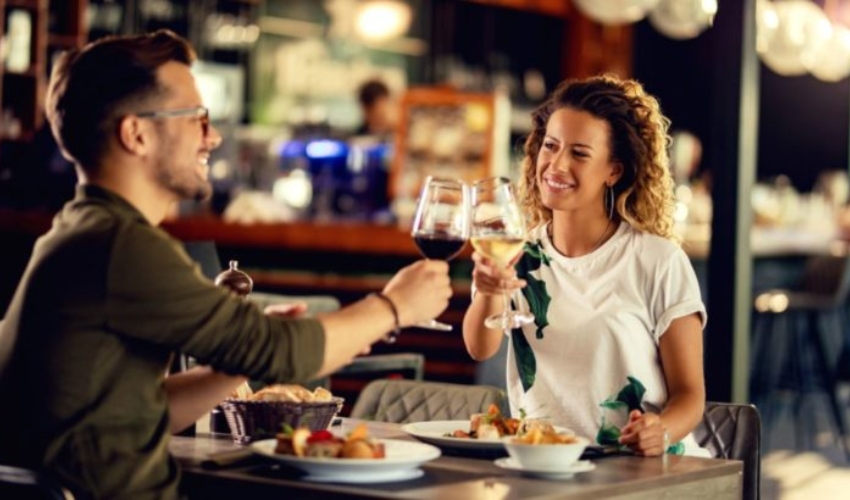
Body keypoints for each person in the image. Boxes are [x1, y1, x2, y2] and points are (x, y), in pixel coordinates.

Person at [0, 30, 451, 499]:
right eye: (196, 118)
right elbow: (280, 353)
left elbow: (142, 413)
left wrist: (235, 362)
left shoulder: (82, 231)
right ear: (136, 133)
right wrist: (395, 305)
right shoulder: (121, 246)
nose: (213, 136)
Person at [462, 75, 708, 457]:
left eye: (579, 153)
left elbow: (690, 395)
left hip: (646, 473)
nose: (556, 165)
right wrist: (490, 295)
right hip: (547, 465)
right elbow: (479, 347)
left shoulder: (658, 261)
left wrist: (661, 429)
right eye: (551, 146)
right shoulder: (516, 252)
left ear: (614, 170)